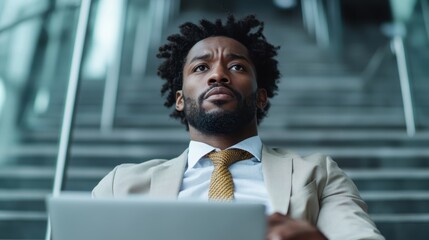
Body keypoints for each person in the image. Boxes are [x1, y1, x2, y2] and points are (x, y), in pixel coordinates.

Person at [93, 15, 384, 240]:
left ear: (260, 96)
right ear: (179, 99)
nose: (218, 75)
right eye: (201, 67)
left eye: (237, 67)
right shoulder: (122, 185)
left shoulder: (318, 175)